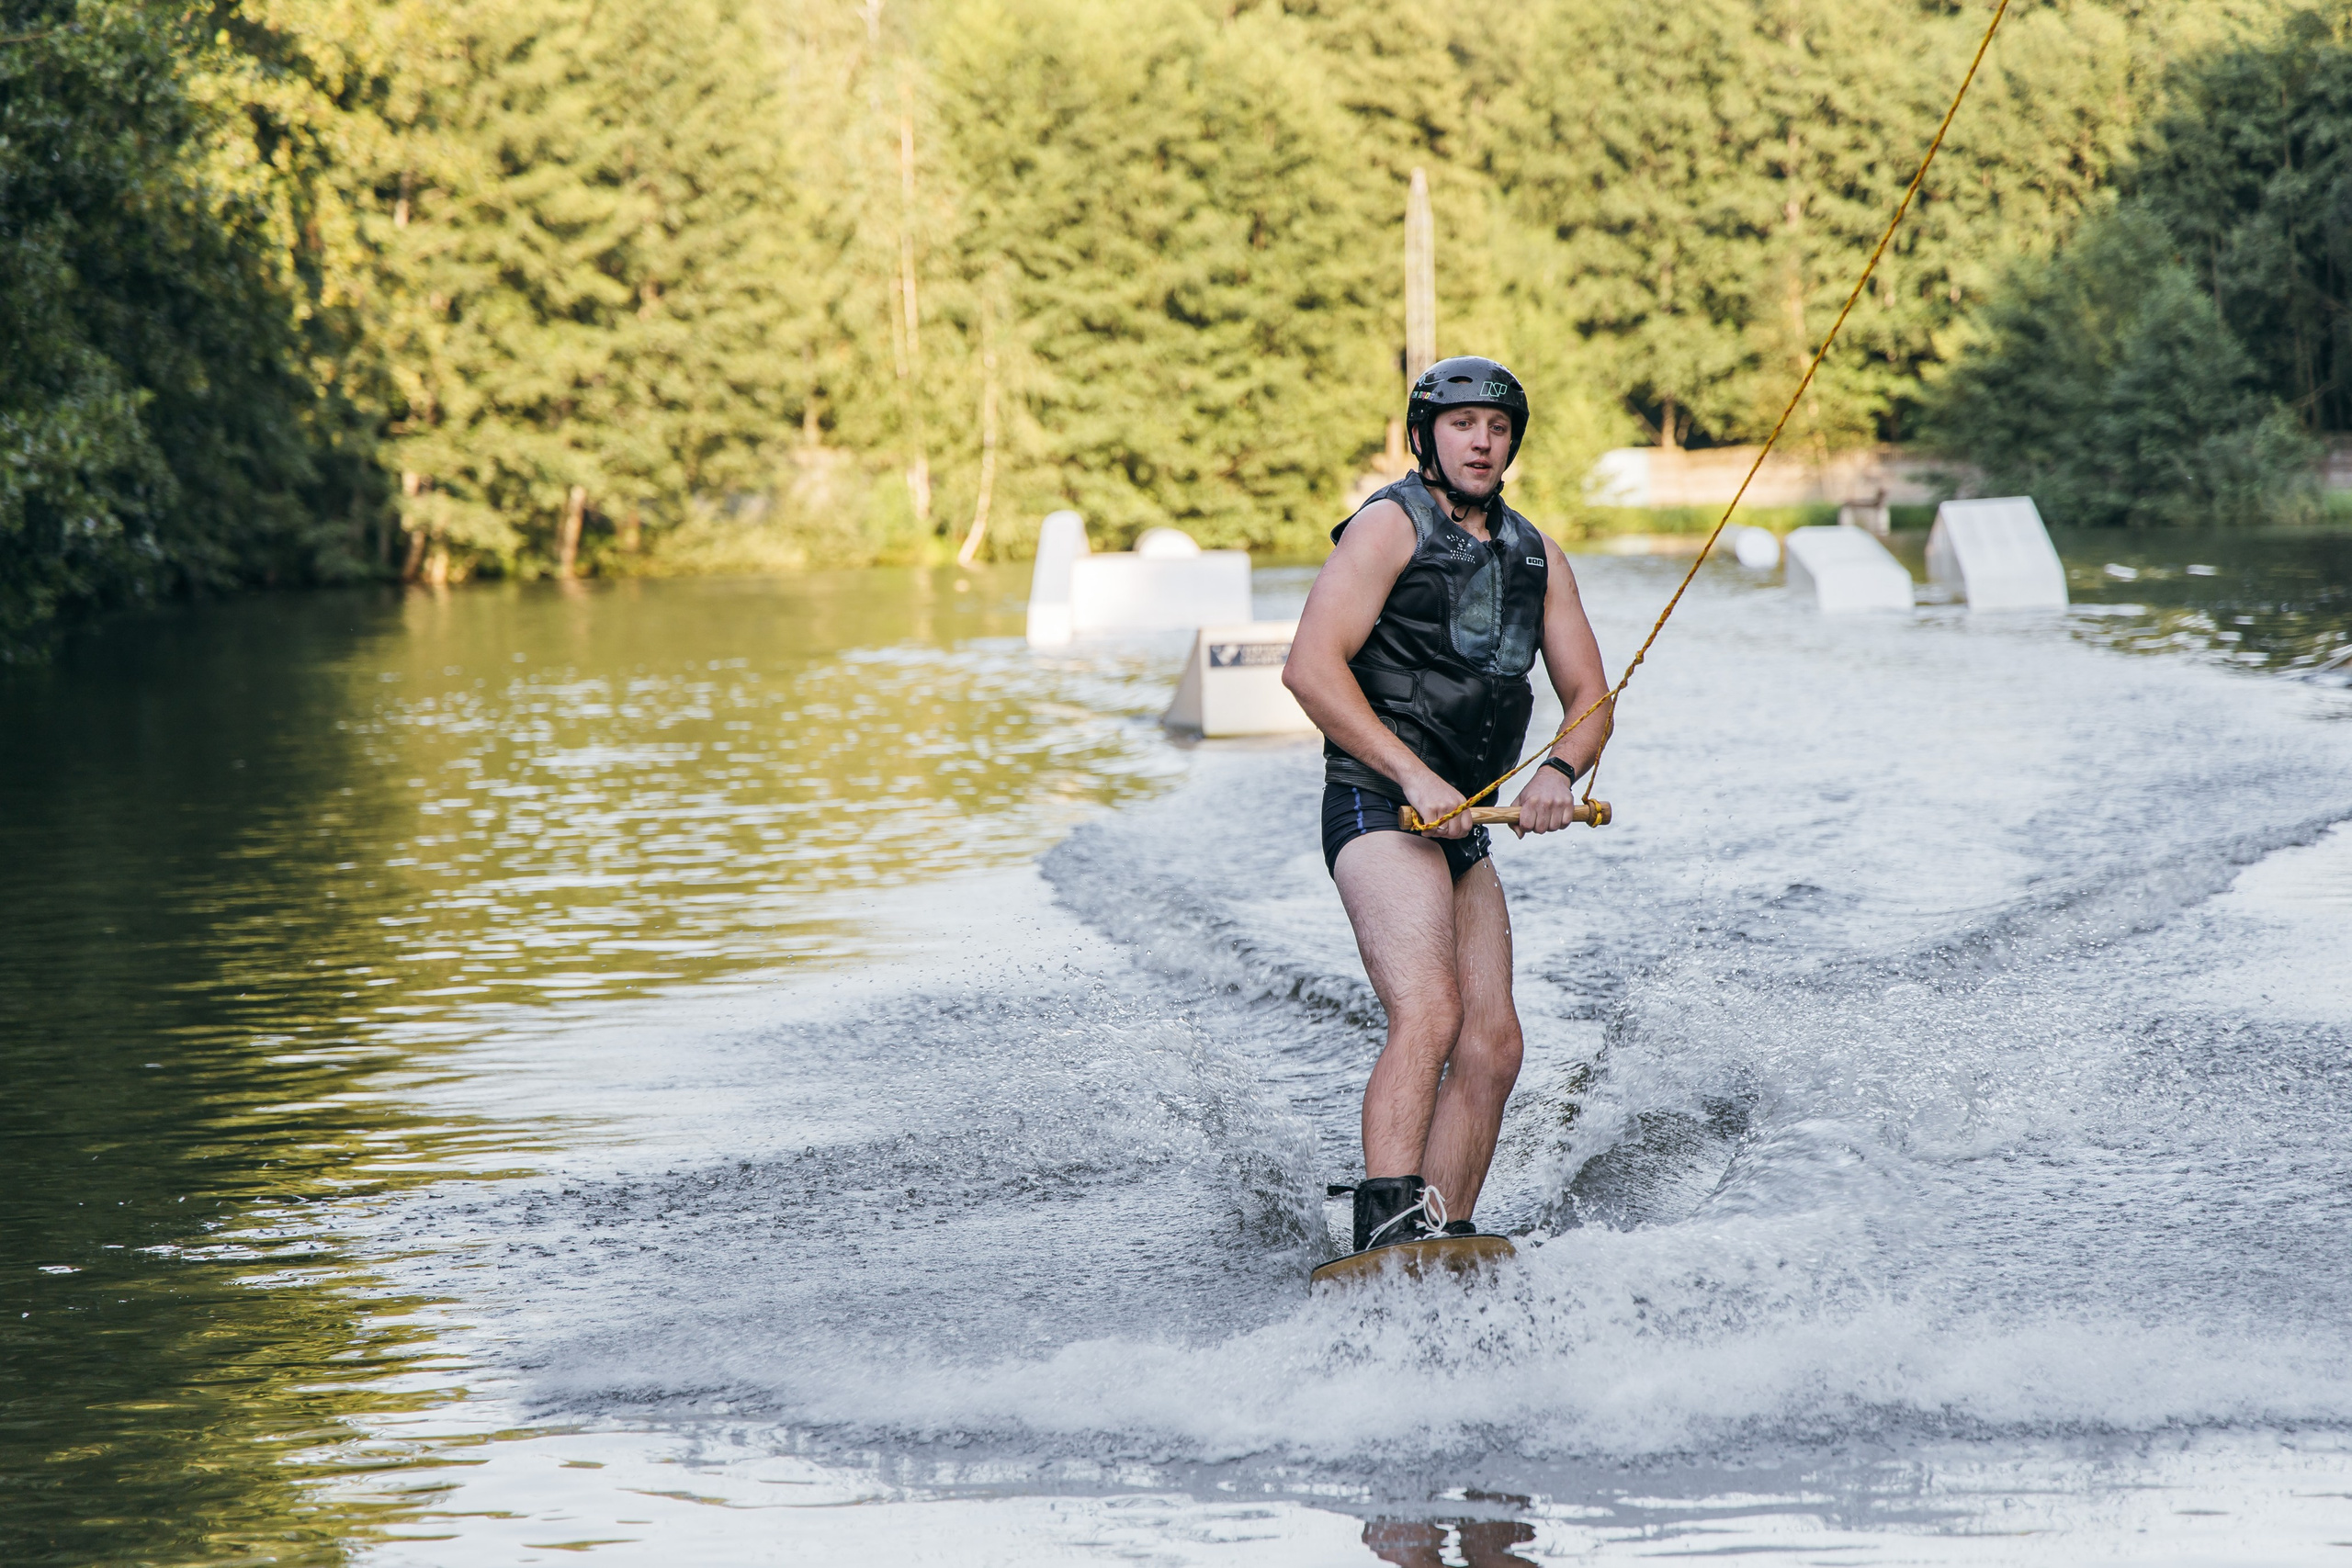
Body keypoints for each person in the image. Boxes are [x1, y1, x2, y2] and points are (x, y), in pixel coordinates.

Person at [1282, 356, 1611, 1259]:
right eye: (1463, 424)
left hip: (1466, 825)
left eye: (1498, 429)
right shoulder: (1388, 527)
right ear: (1425, 436)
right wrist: (1414, 777)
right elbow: (1308, 668)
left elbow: (1588, 692)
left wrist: (1559, 773)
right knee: (1428, 1012)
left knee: (1494, 1042)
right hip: (1379, 805)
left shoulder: (1537, 554)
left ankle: (1442, 1235)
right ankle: (1385, 1242)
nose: (1482, 441)